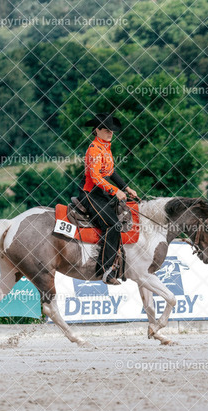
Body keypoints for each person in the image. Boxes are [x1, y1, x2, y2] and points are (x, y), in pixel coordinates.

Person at [80, 113, 138, 285]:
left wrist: (126, 188)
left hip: (102, 194)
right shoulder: (94, 150)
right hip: (90, 194)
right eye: (106, 130)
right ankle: (105, 270)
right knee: (113, 225)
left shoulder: (106, 148)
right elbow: (96, 178)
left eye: (112, 130)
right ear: (97, 130)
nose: (110, 133)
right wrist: (115, 191)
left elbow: (111, 172)